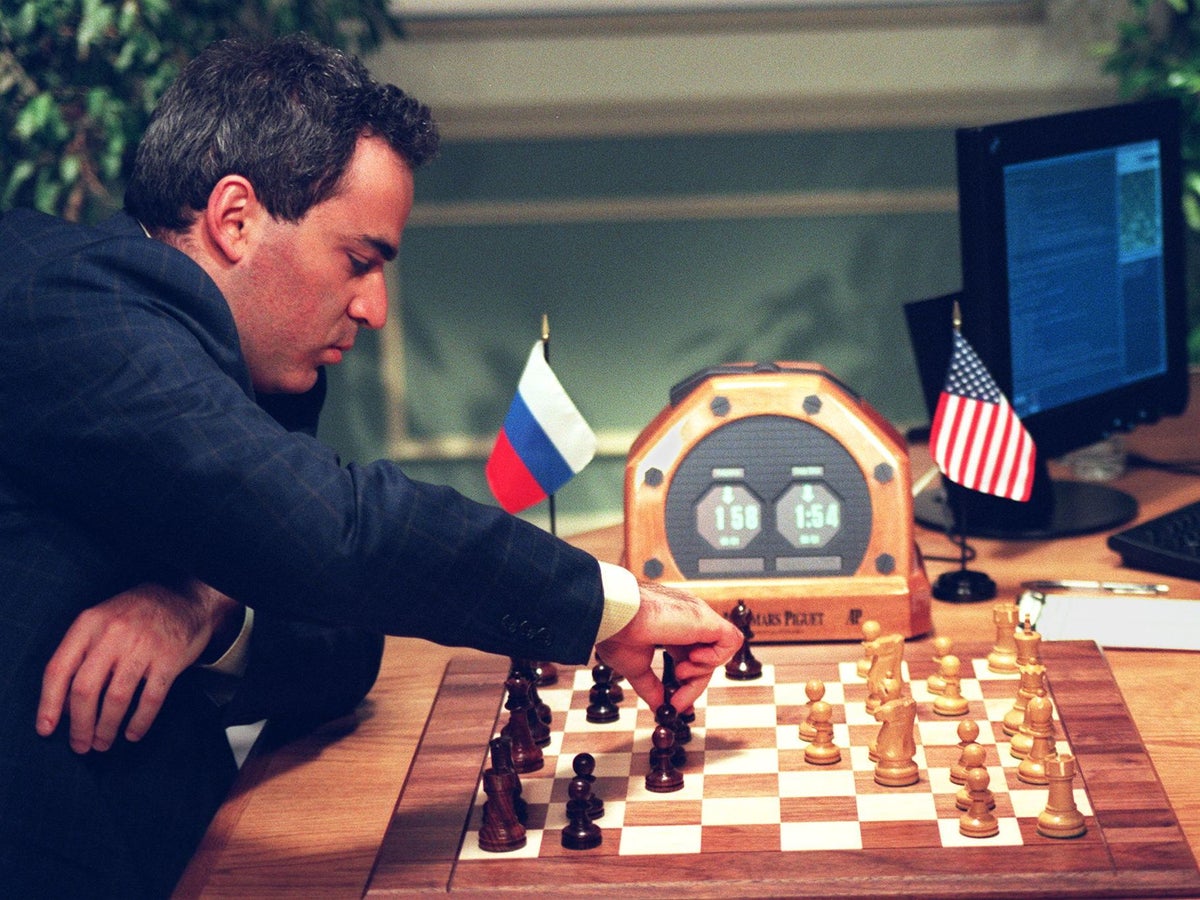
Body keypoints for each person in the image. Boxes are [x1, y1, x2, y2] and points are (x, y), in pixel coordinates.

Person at [0, 33, 741, 897]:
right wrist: (610, 607)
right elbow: (337, 537)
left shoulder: (220, 369)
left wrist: (200, 610)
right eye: (358, 261)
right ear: (234, 219)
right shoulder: (68, 308)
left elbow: (342, 641)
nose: (375, 308)